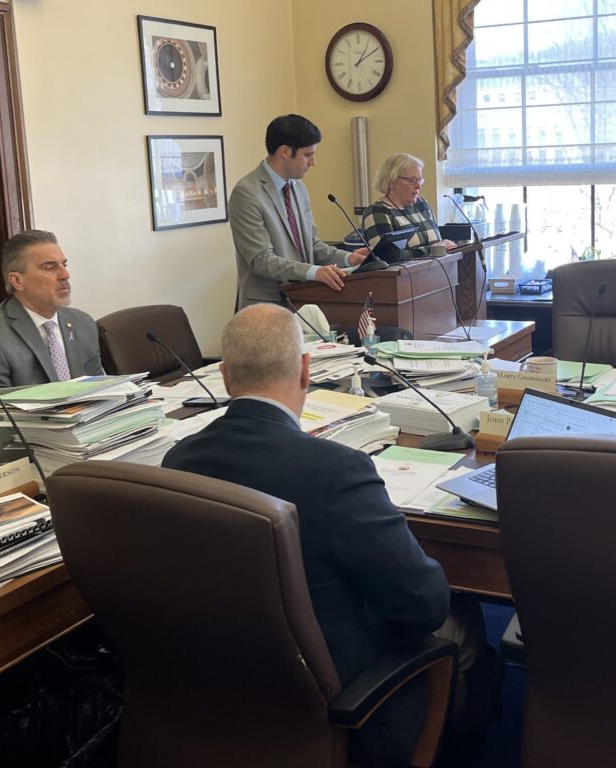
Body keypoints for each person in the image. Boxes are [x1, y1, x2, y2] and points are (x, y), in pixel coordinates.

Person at [162, 305, 494, 766]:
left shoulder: (180, 460)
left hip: (229, 688)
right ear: (305, 370)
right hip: (345, 702)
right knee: (466, 617)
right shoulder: (336, 471)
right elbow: (425, 604)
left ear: (224, 376)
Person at [228, 114, 369, 309]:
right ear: (285, 151)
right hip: (267, 308)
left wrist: (347, 258)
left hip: (305, 301)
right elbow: (261, 260)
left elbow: (312, 245)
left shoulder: (298, 187)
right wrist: (314, 272)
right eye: (308, 155)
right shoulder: (246, 193)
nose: (313, 162)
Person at [0, 230, 104, 391]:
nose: (65, 275)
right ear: (17, 281)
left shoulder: (82, 323)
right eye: (50, 267)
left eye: (64, 265)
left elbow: (100, 390)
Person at [361, 153, 456, 258]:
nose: (418, 186)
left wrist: (445, 245)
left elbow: (437, 242)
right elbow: (388, 257)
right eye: (412, 180)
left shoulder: (421, 205)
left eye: (419, 180)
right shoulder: (377, 212)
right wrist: (434, 249)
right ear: (391, 181)